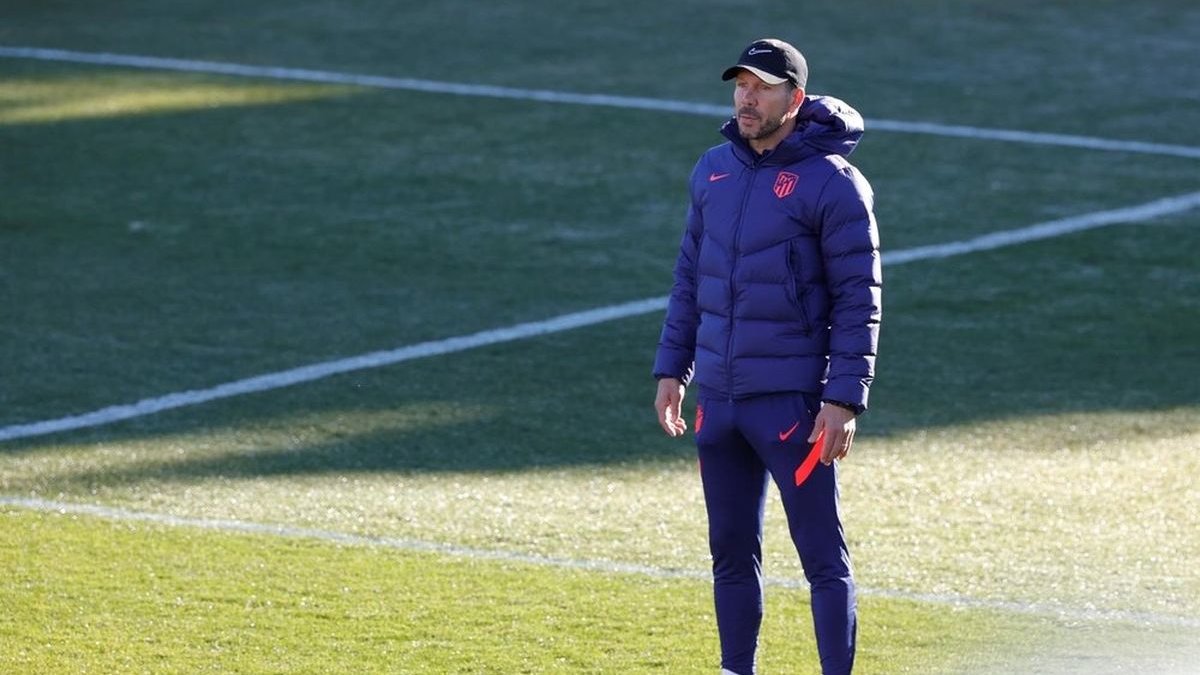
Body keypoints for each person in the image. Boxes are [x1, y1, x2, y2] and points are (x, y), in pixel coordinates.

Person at [652, 38, 881, 675]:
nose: (747, 98)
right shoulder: (713, 170)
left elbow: (859, 299)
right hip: (719, 401)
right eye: (742, 85)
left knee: (821, 558)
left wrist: (843, 399)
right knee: (729, 552)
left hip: (792, 407)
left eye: (763, 87)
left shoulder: (834, 184)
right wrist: (673, 368)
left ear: (794, 98)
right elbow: (690, 277)